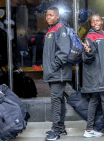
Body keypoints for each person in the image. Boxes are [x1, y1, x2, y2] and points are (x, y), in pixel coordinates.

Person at [43, 6, 72, 141]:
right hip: (54, 72)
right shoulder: (51, 30)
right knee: (59, 100)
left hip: (58, 72)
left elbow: (64, 51)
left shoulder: (60, 28)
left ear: (57, 16)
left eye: (51, 15)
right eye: (47, 15)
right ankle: (60, 126)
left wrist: (53, 67)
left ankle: (55, 130)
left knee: (55, 100)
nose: (48, 17)